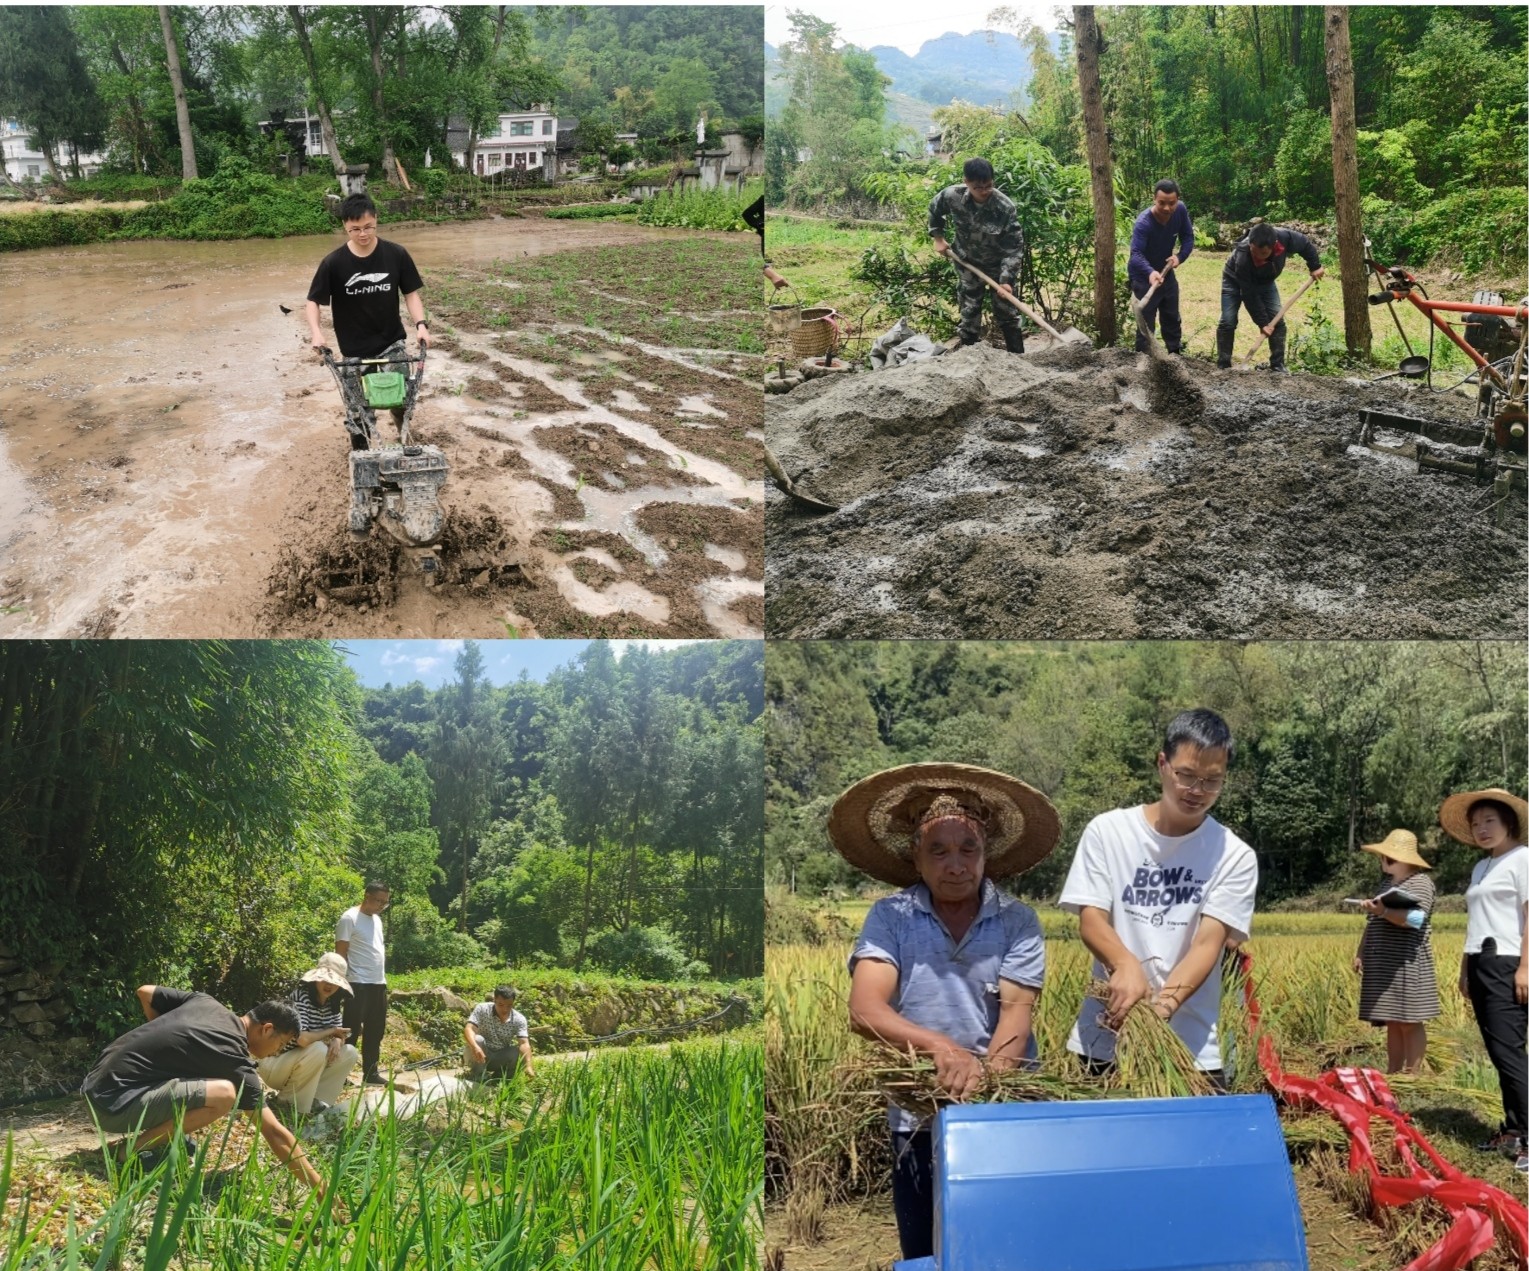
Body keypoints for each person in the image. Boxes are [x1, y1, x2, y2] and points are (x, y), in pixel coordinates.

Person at [836, 762, 1059, 1261]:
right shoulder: (890, 917)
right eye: (938, 851)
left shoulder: (1017, 920)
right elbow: (865, 1008)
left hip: (1000, 1110)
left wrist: (986, 1087)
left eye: (968, 850)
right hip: (916, 1112)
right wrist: (941, 1048)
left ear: (987, 855)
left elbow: (1016, 1019)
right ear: (915, 858)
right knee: (925, 1249)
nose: (955, 865)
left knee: (1003, 1247)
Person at [1059, 709, 1257, 1085]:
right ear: (1162, 764)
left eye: (1212, 781)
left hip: (1193, 1050)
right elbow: (1091, 920)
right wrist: (1125, 965)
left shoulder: (1234, 854)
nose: (1197, 790)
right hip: (1104, 1037)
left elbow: (1207, 944)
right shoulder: (1108, 831)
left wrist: (1160, 1009)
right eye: (1186, 775)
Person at [81, 988, 326, 1197]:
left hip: (93, 1086)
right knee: (224, 1094)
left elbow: (145, 991)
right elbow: (275, 1133)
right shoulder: (233, 1057)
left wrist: (162, 1048)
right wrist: (320, 1190)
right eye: (280, 1045)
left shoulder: (206, 1002)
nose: (276, 1052)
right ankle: (129, 1152)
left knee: (207, 1086)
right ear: (266, 1029)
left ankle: (152, 1141)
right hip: (111, 1107)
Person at [1439, 787, 1527, 1172]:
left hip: (1508, 961)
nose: (1482, 829)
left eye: (1489, 821)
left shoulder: (1522, 859)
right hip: (1480, 961)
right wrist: (1463, 968)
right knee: (1497, 1050)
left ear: (1508, 823)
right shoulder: (1480, 867)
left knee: (1509, 1052)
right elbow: (1476, 921)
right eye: (1476, 824)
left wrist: (1526, 967)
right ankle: (1513, 1130)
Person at [305, 192, 430, 440]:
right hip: (353, 350)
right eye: (355, 229)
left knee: (401, 399)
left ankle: (405, 439)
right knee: (358, 411)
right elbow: (313, 302)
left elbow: (411, 294)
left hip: (391, 342)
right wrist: (317, 333)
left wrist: (421, 325)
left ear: (376, 220)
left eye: (368, 227)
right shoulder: (334, 263)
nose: (363, 234)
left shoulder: (396, 254)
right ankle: (362, 457)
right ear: (345, 227)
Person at [1352, 829, 1439, 1074]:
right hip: (1383, 961)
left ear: (1406, 860)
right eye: (1383, 858)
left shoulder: (1421, 883)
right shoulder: (1386, 884)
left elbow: (1415, 919)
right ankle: (1393, 1071)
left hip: (1406, 962)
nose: (1383, 862)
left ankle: (1413, 1074)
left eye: (1389, 859)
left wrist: (1383, 912)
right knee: (1392, 1019)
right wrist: (1361, 951)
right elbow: (1373, 922)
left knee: (1410, 1021)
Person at [928, 158, 1027, 354]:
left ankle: (1018, 358)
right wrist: (938, 238)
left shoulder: (1004, 207)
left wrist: (1006, 279)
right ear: (966, 182)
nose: (984, 191)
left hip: (998, 267)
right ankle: (969, 355)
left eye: (988, 186)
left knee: (1007, 312)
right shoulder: (952, 196)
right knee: (969, 311)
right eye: (978, 187)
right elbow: (934, 210)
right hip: (967, 263)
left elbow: (1013, 246)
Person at [258, 952, 359, 1118]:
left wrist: (336, 1039)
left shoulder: (332, 1004)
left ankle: (318, 1101)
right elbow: (303, 1039)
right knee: (318, 1049)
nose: (329, 985)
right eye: (325, 979)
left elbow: (340, 1033)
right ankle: (288, 1104)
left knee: (349, 1052)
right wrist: (332, 1032)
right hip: (275, 1064)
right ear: (316, 978)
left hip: (301, 1063)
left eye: (334, 981)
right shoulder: (301, 996)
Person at [1216, 221, 1324, 373]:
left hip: (1266, 282)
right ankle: (1223, 364)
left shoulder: (1285, 238)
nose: (1258, 258)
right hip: (1234, 280)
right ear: (1250, 245)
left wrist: (1315, 266)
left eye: (1264, 254)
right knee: (1228, 320)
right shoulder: (1242, 257)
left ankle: (1277, 365)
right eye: (1254, 253)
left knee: (1277, 320)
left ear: (1273, 246)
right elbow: (1249, 295)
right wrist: (1262, 323)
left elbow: (1305, 245)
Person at [1127, 180, 1195, 355]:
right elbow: (1136, 254)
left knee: (1172, 318)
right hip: (1143, 277)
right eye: (1162, 203)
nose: (1167, 208)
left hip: (1167, 272)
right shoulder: (1144, 223)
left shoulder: (1180, 210)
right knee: (1146, 325)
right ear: (1154, 200)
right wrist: (1150, 273)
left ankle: (1175, 356)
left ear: (1177, 200)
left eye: (1171, 203)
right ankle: (1143, 361)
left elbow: (1188, 237)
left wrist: (1179, 257)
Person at [336, 882, 390, 1085]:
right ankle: (340, 1074)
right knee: (350, 1030)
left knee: (376, 1030)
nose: (381, 906)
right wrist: (341, 982)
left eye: (385, 903)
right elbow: (340, 953)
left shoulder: (377, 920)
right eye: (379, 901)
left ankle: (371, 1073)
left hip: (378, 982)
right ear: (367, 896)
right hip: (356, 982)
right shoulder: (349, 918)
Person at [463, 985, 537, 1082]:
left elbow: (524, 1043)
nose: (505, 1009)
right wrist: (475, 1047)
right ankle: (478, 1076)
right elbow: (469, 1028)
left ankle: (499, 1079)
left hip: (499, 1056)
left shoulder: (519, 1019)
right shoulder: (482, 1009)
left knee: (517, 1052)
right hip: (479, 1054)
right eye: (501, 1005)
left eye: (509, 1005)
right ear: (494, 1000)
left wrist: (528, 1065)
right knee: (477, 1040)